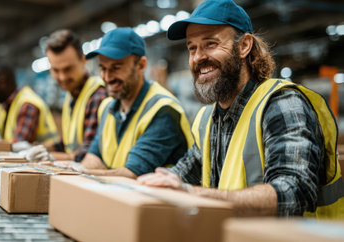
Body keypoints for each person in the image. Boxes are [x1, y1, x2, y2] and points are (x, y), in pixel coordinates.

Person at [137, 0, 343, 218]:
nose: (198, 58)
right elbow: (181, 175)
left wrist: (193, 194)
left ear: (244, 45)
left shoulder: (281, 104)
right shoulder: (208, 119)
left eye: (211, 44)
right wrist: (154, 185)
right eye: (192, 48)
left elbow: (294, 192)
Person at [60, 27, 193, 179]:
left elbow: (131, 174)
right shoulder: (107, 107)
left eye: (116, 68)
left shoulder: (162, 110)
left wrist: (78, 172)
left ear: (141, 65)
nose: (107, 77)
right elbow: (94, 158)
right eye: (103, 68)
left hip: (154, 200)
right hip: (118, 196)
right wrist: (74, 168)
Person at [45, 29, 108, 162]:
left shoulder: (97, 95)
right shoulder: (70, 96)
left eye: (68, 69)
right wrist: (39, 149)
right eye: (56, 70)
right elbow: (68, 144)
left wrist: (50, 157)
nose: (62, 77)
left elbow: (87, 155)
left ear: (83, 60)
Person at [0, 64, 59, 144]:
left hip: (46, 154)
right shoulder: (7, 105)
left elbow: (19, 145)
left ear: (3, 83)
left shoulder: (27, 104)